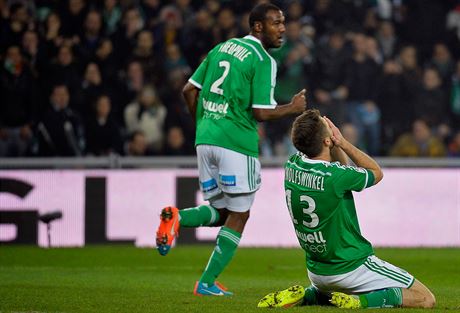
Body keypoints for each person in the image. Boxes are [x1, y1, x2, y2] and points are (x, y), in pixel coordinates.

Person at [155, 3, 306, 297]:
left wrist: (202, 125)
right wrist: (293, 108)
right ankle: (206, 283)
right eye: (276, 23)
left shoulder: (221, 48)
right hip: (236, 143)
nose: (283, 28)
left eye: (284, 22)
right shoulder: (263, 60)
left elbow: (189, 90)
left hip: (206, 140)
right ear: (258, 26)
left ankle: (177, 218)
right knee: (240, 215)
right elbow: (261, 112)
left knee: (223, 212)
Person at [257, 109, 436, 309]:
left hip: (317, 272)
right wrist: (342, 142)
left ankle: (311, 295)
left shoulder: (292, 165)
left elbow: (340, 165)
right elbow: (376, 172)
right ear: (327, 141)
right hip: (350, 267)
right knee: (424, 298)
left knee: (331, 287)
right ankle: (360, 302)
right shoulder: (336, 177)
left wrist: (326, 139)